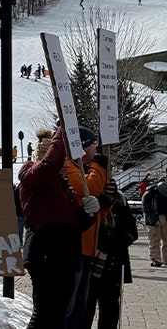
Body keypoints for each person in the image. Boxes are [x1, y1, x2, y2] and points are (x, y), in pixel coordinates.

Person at [18, 126, 99, 329]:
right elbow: (50, 164)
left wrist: (88, 212)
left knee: (57, 315)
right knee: (45, 316)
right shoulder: (32, 180)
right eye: (62, 163)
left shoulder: (62, 188)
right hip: (46, 255)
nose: (64, 167)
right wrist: (64, 129)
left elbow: (73, 223)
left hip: (64, 256)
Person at [81, 155, 138, 329]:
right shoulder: (86, 198)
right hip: (91, 264)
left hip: (113, 265)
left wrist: (119, 240)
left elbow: (132, 230)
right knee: (85, 312)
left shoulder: (119, 199)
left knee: (110, 313)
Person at [63, 126, 107, 329]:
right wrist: (99, 167)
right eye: (93, 147)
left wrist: (106, 204)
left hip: (87, 248)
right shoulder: (68, 167)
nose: (96, 152)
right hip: (74, 249)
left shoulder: (84, 168)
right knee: (68, 308)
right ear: (82, 147)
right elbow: (91, 188)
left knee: (80, 307)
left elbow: (94, 207)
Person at [145, 177, 167, 267]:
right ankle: (155, 259)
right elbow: (146, 208)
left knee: (166, 240)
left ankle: (166, 259)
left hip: (165, 217)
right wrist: (154, 220)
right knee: (154, 240)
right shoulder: (148, 194)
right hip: (153, 219)